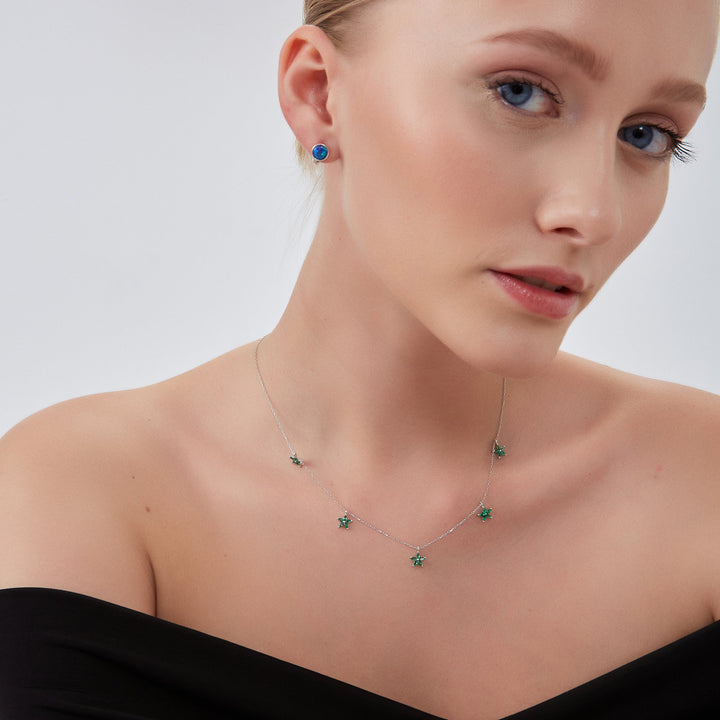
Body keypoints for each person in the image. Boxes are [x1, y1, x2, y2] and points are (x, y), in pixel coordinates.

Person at [1, 1, 718, 718]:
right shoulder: (83, 497)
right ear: (319, 94)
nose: (593, 214)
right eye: (520, 92)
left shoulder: (703, 482)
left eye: (647, 135)